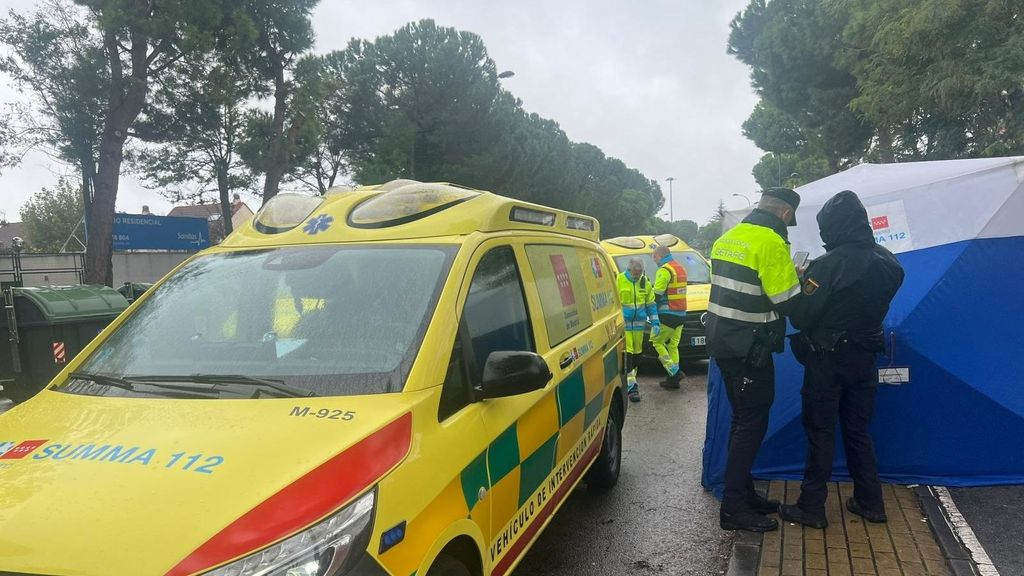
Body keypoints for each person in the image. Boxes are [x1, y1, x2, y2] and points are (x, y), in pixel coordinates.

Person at [779, 190, 905, 529]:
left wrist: (800, 279)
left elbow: (803, 317)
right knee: (858, 431)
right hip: (864, 358)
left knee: (821, 432)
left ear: (832, 227)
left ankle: (812, 507)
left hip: (827, 359)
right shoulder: (889, 262)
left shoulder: (827, 265)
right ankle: (870, 501)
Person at [707, 187, 802, 532]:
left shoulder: (729, 238)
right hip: (750, 349)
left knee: (741, 421)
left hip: (724, 344)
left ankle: (744, 495)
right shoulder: (771, 243)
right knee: (751, 424)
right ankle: (733, 509)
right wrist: (799, 278)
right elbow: (787, 302)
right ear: (786, 214)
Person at [617, 257, 659, 402]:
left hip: (639, 328)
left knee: (636, 358)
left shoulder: (644, 282)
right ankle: (632, 388)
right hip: (625, 328)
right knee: (628, 358)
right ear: (629, 269)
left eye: (639, 273)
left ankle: (630, 382)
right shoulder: (619, 280)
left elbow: (651, 304)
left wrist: (655, 322)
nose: (637, 276)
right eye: (635, 273)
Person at [650, 244, 687, 389]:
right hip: (681, 314)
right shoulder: (680, 268)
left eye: (654, 257)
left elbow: (657, 294)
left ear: (659, 255)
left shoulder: (664, 270)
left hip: (667, 314)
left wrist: (650, 310)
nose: (654, 260)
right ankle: (673, 381)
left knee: (656, 341)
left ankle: (675, 372)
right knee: (673, 346)